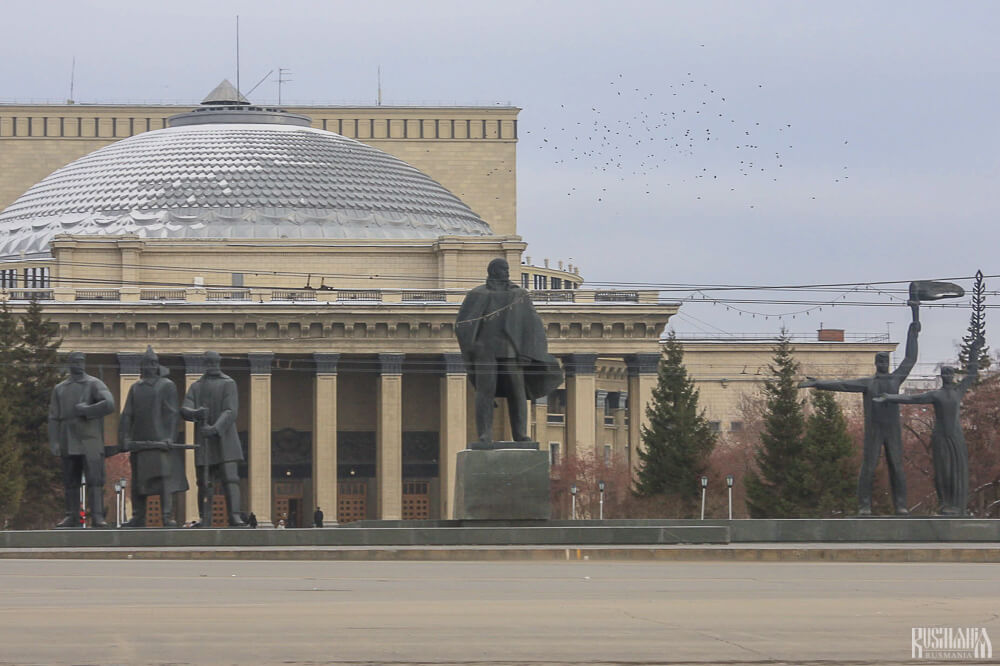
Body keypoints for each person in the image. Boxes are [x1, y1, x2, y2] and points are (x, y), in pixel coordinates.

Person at [800, 298, 920, 515]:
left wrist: (913, 333)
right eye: (880, 361)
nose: (883, 363)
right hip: (874, 431)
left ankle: (901, 505)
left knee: (897, 467)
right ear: (876, 364)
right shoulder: (868, 383)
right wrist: (818, 383)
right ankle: (864, 506)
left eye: (885, 361)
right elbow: (841, 384)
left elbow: (910, 359)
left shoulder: (895, 380)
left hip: (893, 431)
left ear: (887, 363)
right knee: (868, 467)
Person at [456, 258, 563, 446]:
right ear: (493, 271)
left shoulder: (519, 295)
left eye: (506, 269)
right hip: (484, 351)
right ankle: (484, 436)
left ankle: (521, 434)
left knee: (517, 392)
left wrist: (527, 352)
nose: (505, 273)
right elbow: (463, 324)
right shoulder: (477, 294)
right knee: (484, 392)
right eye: (502, 269)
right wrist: (471, 347)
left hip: (511, 350)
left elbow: (532, 325)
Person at [874, 337, 982, 515]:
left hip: (956, 437)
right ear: (941, 376)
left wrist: (974, 350)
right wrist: (891, 397)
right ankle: (945, 504)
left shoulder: (958, 391)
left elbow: (972, 373)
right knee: (943, 472)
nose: (947, 376)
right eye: (944, 373)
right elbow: (912, 399)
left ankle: (958, 506)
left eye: (950, 373)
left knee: (958, 471)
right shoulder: (936, 394)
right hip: (940, 437)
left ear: (953, 376)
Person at [118, 346, 189, 527]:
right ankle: (138, 516)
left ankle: (167, 516)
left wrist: (170, 438)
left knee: (164, 479)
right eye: (147, 363)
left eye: (153, 363)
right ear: (142, 367)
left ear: (157, 366)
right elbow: (127, 414)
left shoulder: (167, 385)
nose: (150, 366)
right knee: (139, 482)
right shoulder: (136, 388)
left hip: (160, 442)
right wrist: (124, 438)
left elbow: (172, 413)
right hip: (140, 442)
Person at [48, 351, 115, 528]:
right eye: (76, 361)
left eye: (82, 361)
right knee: (70, 481)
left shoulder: (94, 384)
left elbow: (109, 404)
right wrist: (54, 441)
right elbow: (53, 417)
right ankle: (72, 515)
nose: (79, 364)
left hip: (90, 440)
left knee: (95, 480)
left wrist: (88, 410)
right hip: (68, 439)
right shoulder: (60, 388)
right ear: (69, 364)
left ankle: (98, 516)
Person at [180, 351, 248, 527]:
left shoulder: (228, 383)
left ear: (219, 363)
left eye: (214, 361)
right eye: (208, 362)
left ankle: (234, 516)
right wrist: (195, 412)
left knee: (230, 478)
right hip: (204, 442)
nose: (212, 365)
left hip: (225, 439)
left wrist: (215, 428)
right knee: (204, 482)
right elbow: (185, 408)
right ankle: (205, 518)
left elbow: (230, 410)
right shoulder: (196, 387)